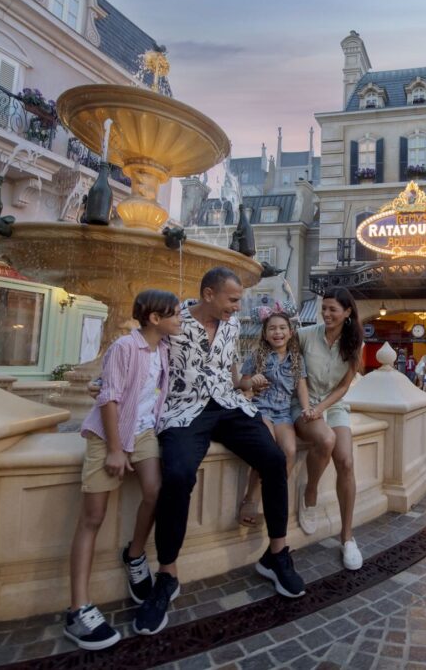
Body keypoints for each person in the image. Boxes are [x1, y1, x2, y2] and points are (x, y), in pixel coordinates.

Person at [135, 268, 305, 638]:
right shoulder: (173, 320)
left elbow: (229, 370)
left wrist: (245, 384)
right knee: (178, 475)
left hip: (228, 405)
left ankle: (276, 554)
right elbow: (141, 349)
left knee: (275, 460)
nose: (237, 306)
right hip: (183, 410)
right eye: (232, 299)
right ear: (208, 294)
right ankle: (167, 575)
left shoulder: (230, 326)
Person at [65, 289, 180, 651]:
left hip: (144, 431)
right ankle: (78, 610)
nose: (180, 318)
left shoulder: (163, 349)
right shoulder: (124, 347)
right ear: (155, 319)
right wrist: (115, 449)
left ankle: (134, 554)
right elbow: (109, 398)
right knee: (93, 518)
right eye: (175, 314)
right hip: (108, 434)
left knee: (155, 491)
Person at [294, 287, 365, 571]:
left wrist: (322, 408)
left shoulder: (354, 342)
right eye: (324, 308)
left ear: (347, 312)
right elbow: (294, 373)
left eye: (333, 309)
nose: (326, 314)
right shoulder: (305, 335)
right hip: (301, 403)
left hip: (332, 405)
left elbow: (345, 385)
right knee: (325, 440)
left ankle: (347, 538)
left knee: (346, 461)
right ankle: (309, 492)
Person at [236, 311, 310, 527]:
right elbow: (242, 384)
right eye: (272, 328)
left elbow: (302, 386)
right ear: (265, 334)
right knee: (266, 448)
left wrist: (306, 409)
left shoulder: (297, 359)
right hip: (261, 410)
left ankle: (274, 495)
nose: (277, 332)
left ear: (290, 332)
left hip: (284, 413)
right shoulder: (257, 355)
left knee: (289, 450)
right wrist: (252, 382)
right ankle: (250, 498)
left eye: (282, 328)